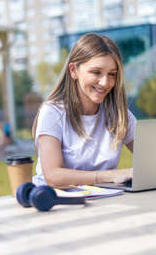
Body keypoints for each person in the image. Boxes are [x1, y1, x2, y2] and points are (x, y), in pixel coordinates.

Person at [32, 33, 135, 189]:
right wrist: (110, 176)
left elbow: (153, 158)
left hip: (104, 199)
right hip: (56, 202)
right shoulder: (53, 112)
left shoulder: (118, 113)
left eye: (112, 74)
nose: (105, 82)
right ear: (73, 70)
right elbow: (53, 176)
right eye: (96, 72)